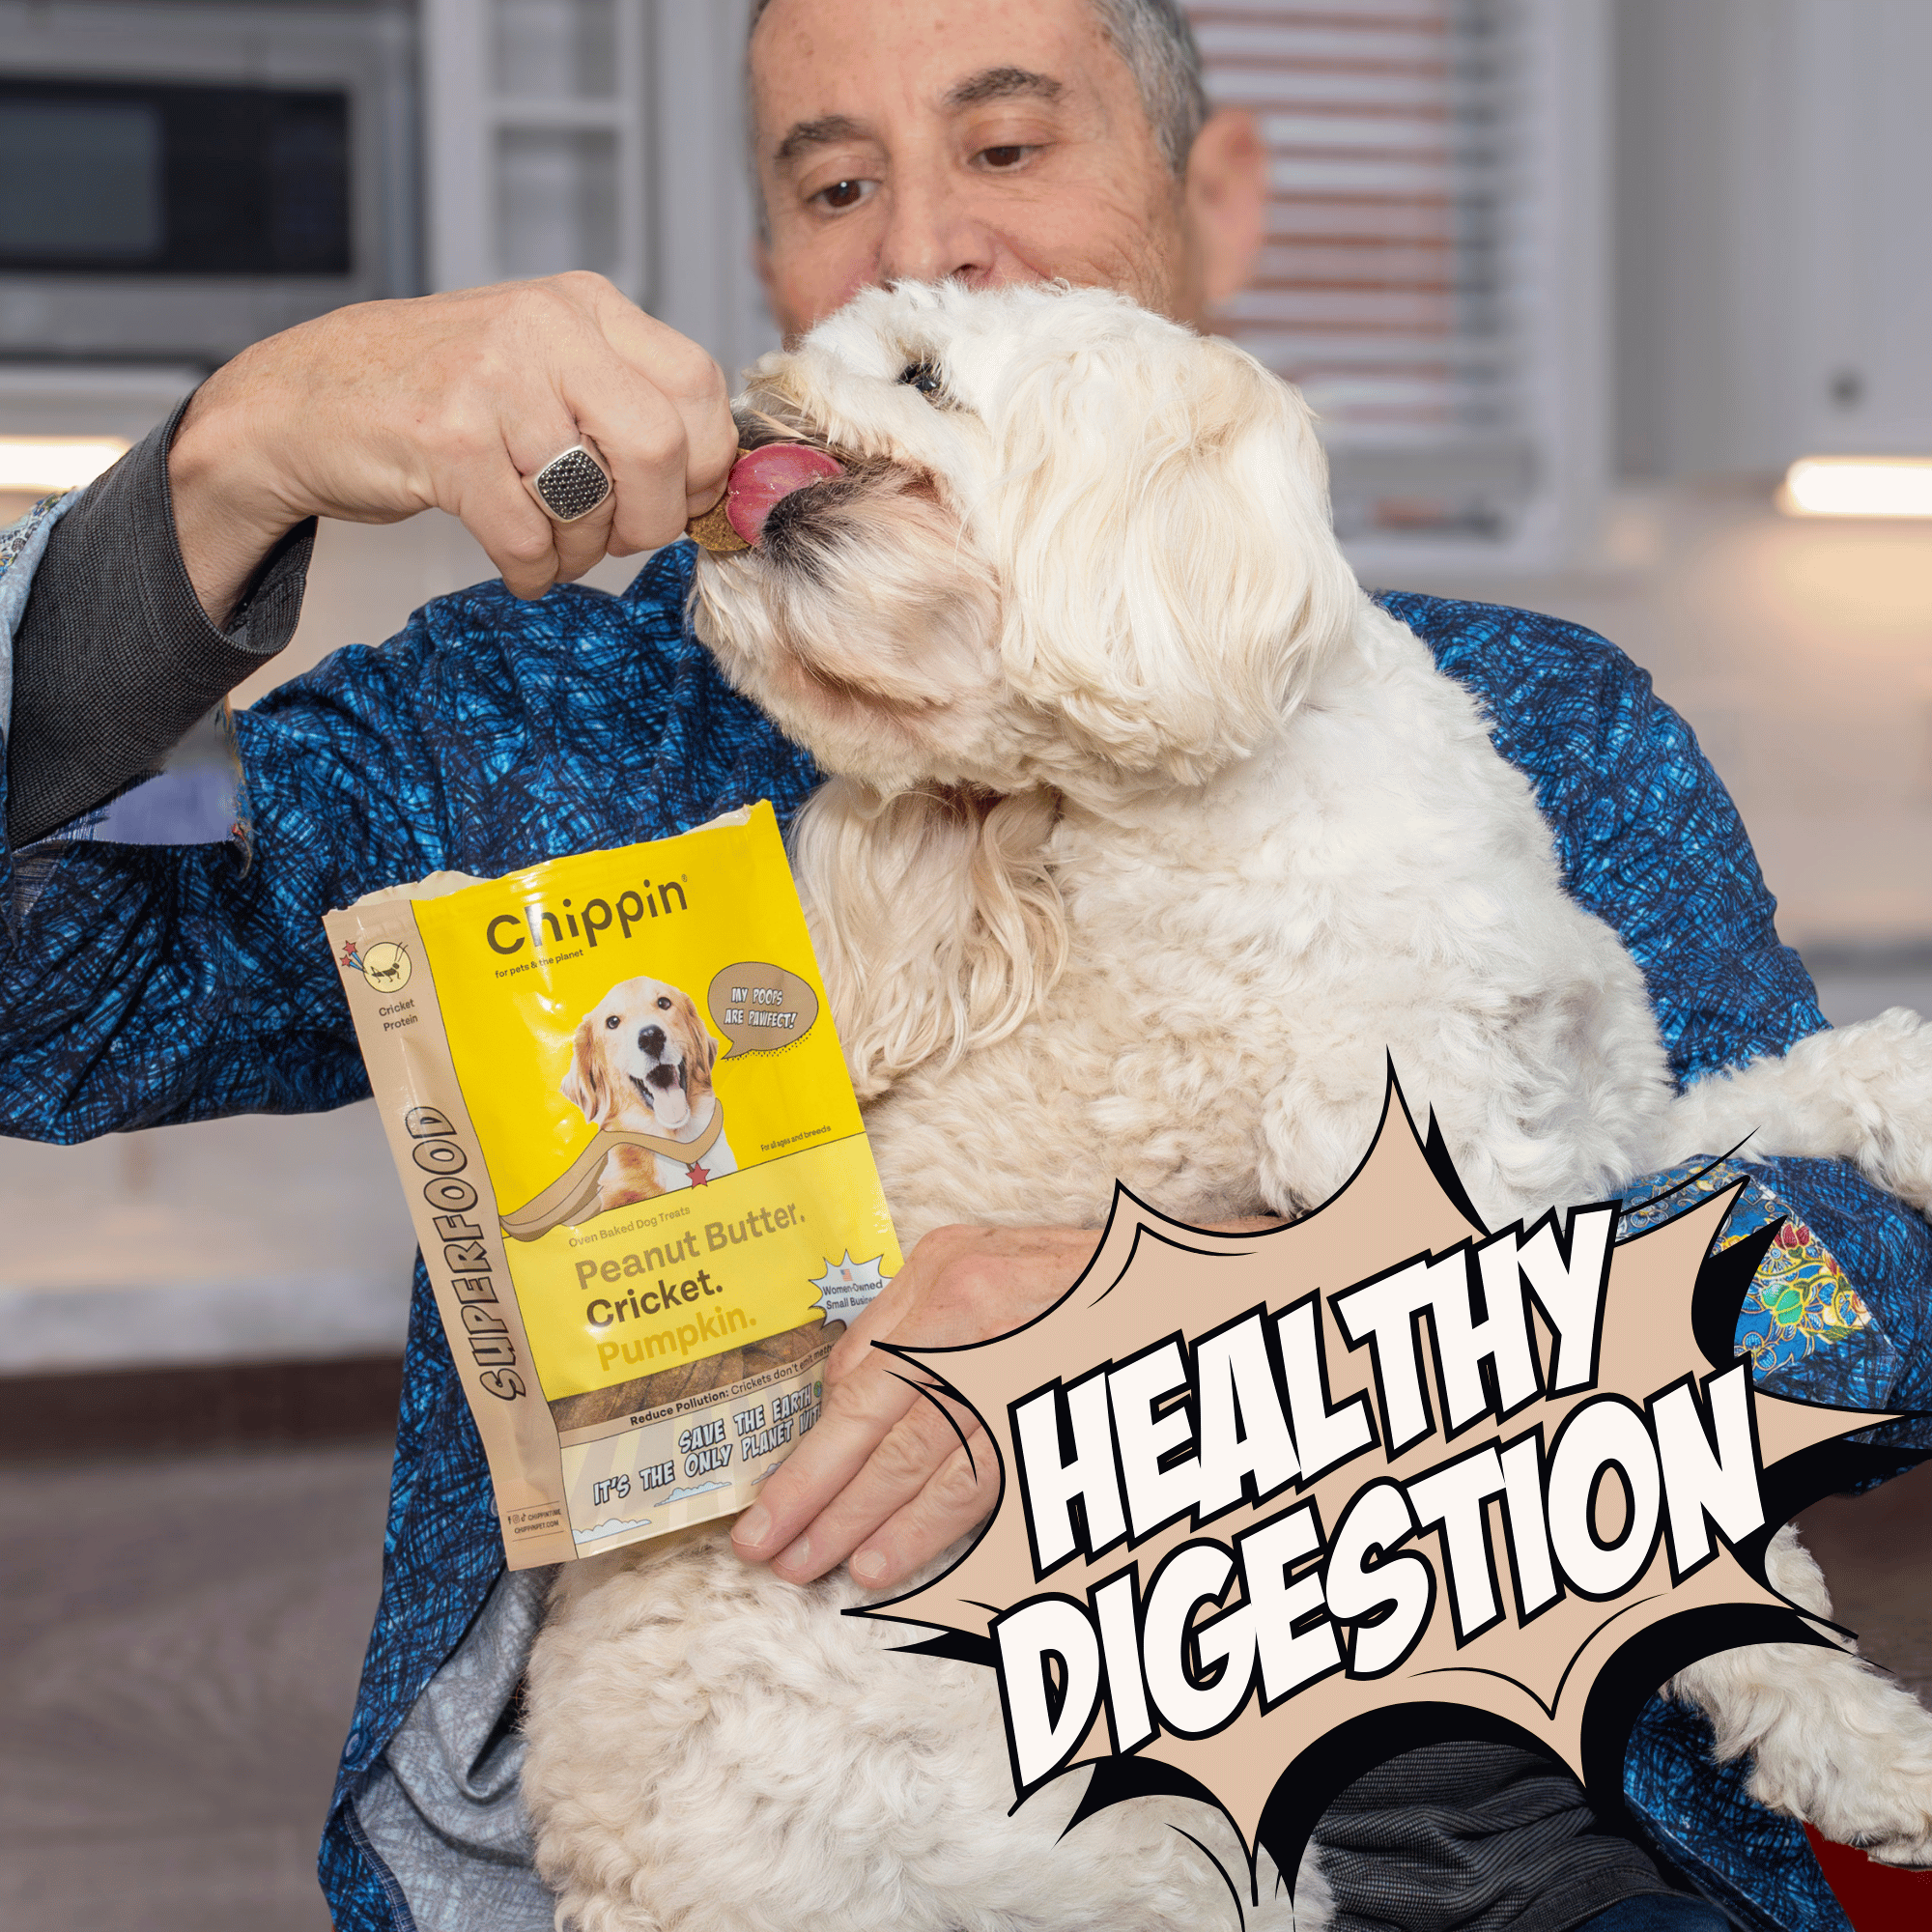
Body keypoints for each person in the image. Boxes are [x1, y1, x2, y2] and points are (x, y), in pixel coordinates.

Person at [0, 3, 1922, 1928]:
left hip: (1530, 1838)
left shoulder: (1529, 722)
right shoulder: (542, 720)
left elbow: (1864, 1290)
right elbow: (51, 1007)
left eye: (1007, 150)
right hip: (812, 1818)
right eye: (835, 183)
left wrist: (1164, 1342)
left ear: (1213, 200)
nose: (923, 242)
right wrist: (232, 454)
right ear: (771, 267)